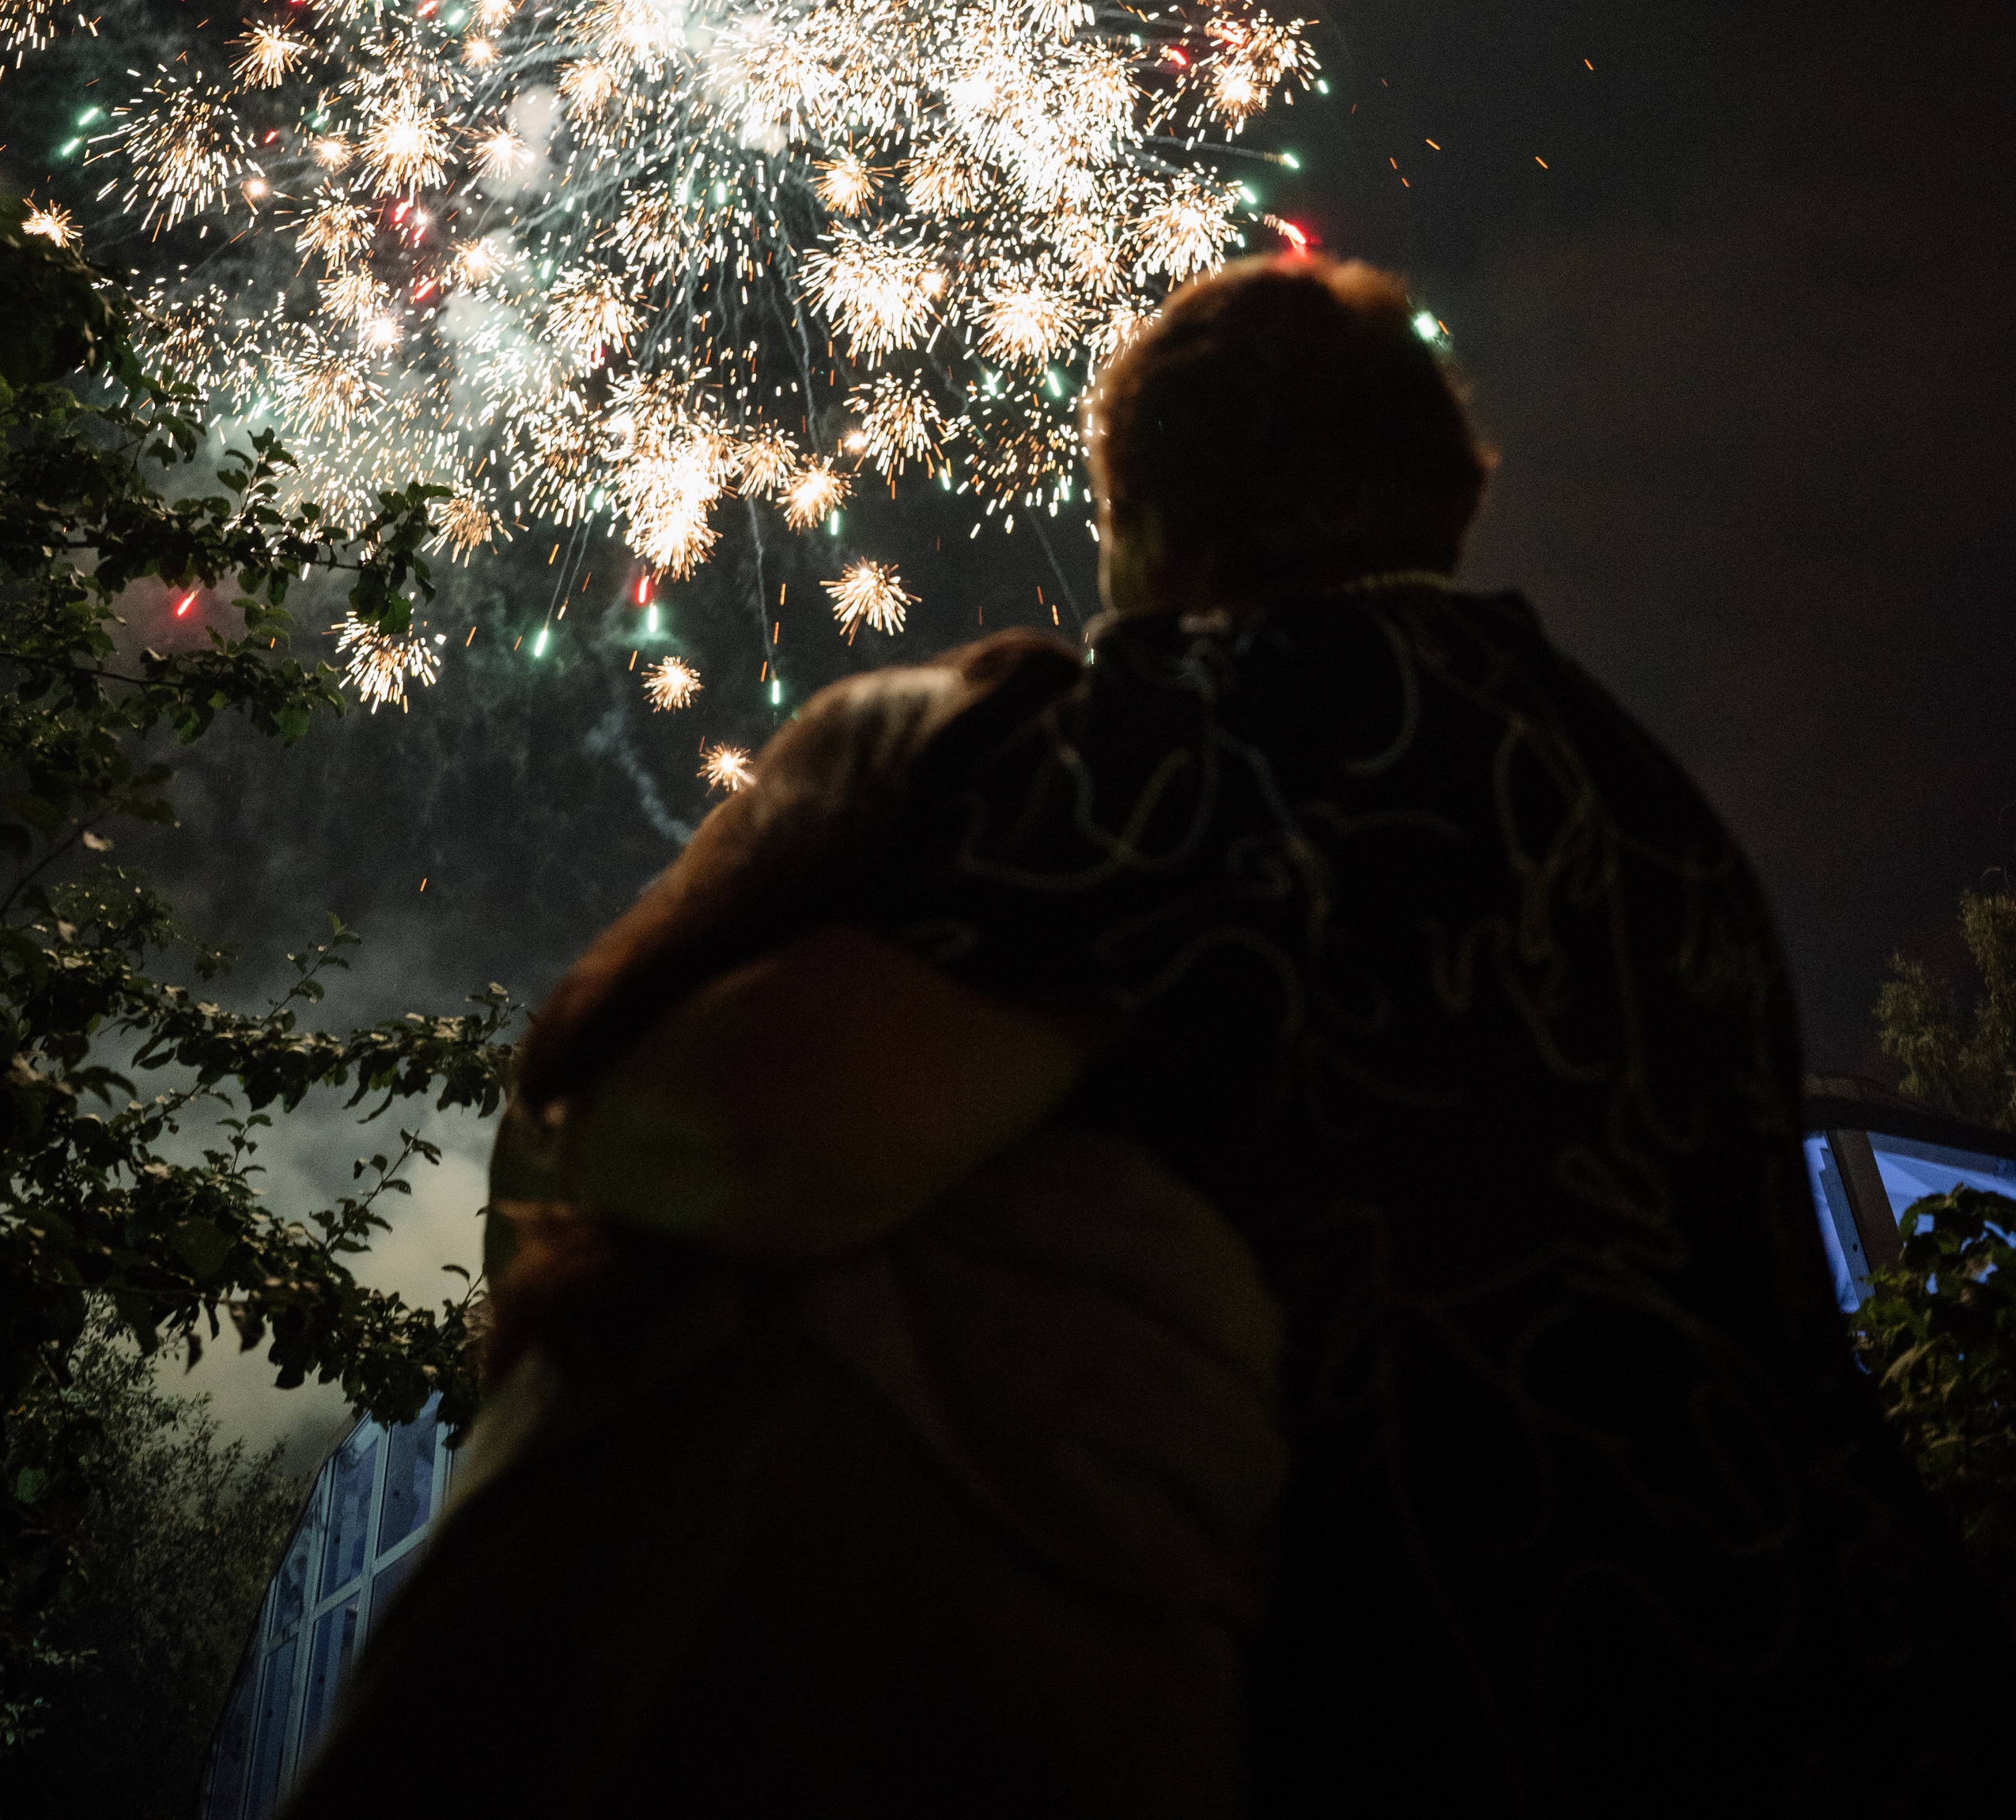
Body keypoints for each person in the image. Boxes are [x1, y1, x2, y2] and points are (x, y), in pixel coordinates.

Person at [298, 257, 2003, 1814]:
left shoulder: (1199, 727)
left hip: (1464, 1676)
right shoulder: (1643, 799)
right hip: (1833, 1668)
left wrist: (574, 1126)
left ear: (1142, 520)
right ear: (1450, 498)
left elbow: (761, 1137)